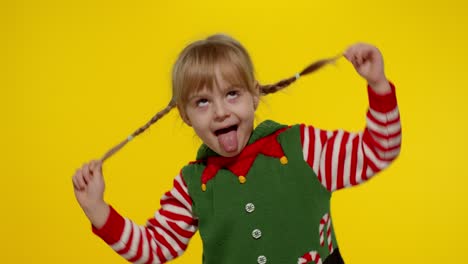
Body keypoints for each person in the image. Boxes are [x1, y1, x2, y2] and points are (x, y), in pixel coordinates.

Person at [72, 34, 401, 264]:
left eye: (232, 94)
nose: (220, 112)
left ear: (253, 95)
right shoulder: (192, 186)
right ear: (185, 116)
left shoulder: (304, 149)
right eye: (203, 102)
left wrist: (378, 85)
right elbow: (156, 248)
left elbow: (377, 152)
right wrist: (96, 208)